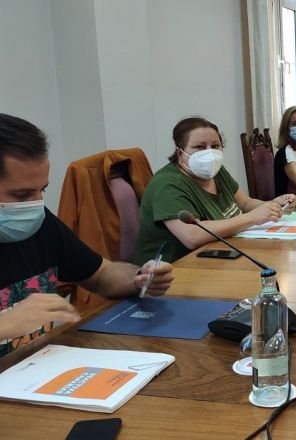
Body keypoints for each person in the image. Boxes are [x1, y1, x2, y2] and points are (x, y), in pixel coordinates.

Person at [0, 114, 174, 357]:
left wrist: (139, 278)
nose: (36, 204)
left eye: (42, 190)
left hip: (42, 370)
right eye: (21, 195)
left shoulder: (37, 222)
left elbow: (101, 274)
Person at [133, 117, 295, 264]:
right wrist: (252, 218)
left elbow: (245, 202)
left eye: (215, 146)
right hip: (173, 271)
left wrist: (273, 205)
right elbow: (192, 236)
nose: (209, 153)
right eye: (199, 147)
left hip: (221, 255)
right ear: (179, 153)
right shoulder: (167, 184)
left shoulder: (216, 171)